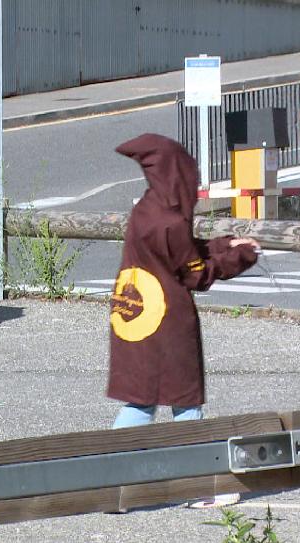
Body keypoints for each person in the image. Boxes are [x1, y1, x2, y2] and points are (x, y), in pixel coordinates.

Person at [106, 134, 258, 508]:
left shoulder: (147, 209)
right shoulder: (171, 221)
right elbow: (196, 274)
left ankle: (105, 479)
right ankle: (199, 486)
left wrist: (223, 244)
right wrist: (241, 257)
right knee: (184, 401)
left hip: (133, 312)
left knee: (140, 400)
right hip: (166, 323)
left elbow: (184, 253)